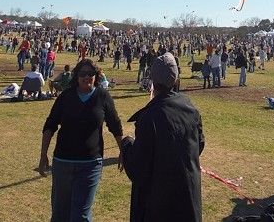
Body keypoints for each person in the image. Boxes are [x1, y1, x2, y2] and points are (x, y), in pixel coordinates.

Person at [121, 52, 204, 222]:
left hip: (158, 205)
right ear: (175, 79)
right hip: (187, 199)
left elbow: (138, 168)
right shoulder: (190, 109)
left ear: (152, 80)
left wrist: (127, 144)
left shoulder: (149, 116)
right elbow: (199, 145)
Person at [38, 59, 123, 222]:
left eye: (90, 74)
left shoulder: (102, 96)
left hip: (90, 164)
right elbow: (50, 125)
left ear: (96, 76)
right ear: (76, 76)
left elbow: (115, 125)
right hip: (63, 162)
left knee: (80, 216)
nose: (87, 77)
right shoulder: (65, 97)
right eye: (83, 74)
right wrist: (43, 154)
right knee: (60, 214)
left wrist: (122, 151)